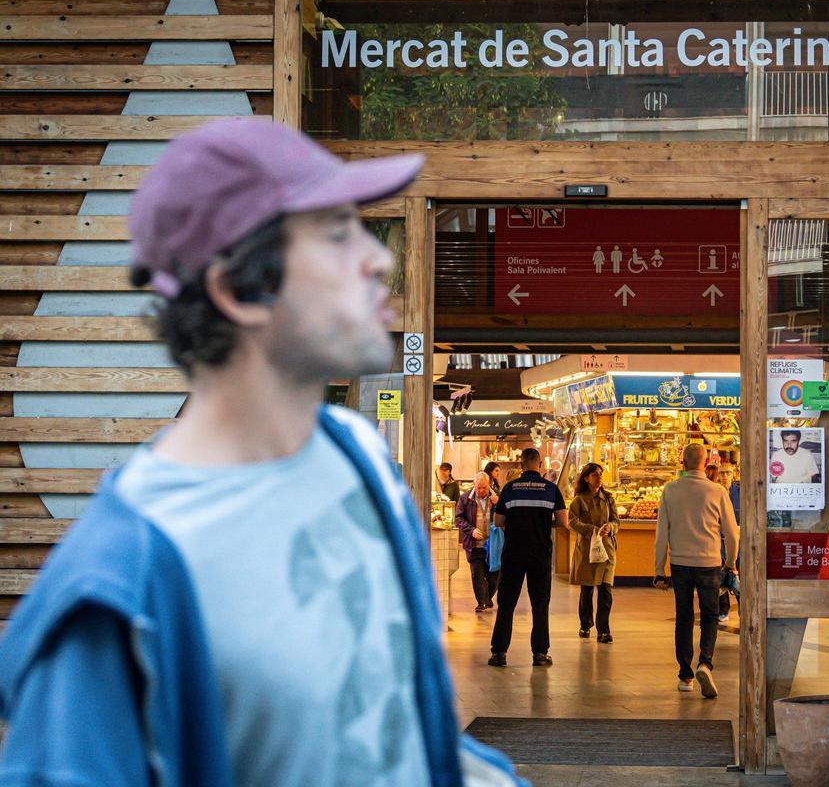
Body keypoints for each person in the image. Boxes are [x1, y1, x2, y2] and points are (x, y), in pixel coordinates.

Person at [0, 118, 524, 787]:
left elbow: (397, 730)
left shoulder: (361, 461)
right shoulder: (118, 586)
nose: (381, 260)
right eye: (337, 234)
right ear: (237, 291)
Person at [655, 443, 739, 698]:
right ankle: (705, 662)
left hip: (680, 563)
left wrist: (659, 569)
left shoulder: (670, 490)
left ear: (683, 463)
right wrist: (731, 563)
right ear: (705, 464)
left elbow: (661, 534)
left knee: (684, 617)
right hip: (710, 563)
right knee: (710, 616)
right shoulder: (717, 491)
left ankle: (685, 675)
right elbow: (732, 533)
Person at [489, 447, 567, 667]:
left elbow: (498, 521)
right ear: (539, 464)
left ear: (521, 464)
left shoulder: (510, 489)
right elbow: (563, 522)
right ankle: (540, 653)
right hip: (540, 554)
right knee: (540, 604)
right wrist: (543, 524)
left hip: (514, 553)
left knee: (506, 604)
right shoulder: (551, 489)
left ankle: (499, 653)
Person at [569, 462, 619, 643]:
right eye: (595, 475)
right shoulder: (579, 500)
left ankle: (604, 630)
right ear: (586, 478)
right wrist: (592, 529)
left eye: (600, 474)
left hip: (607, 549)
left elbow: (616, 520)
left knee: (606, 590)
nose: (599, 478)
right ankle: (585, 624)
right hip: (587, 550)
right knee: (588, 589)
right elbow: (572, 522)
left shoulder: (608, 498)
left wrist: (610, 527)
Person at [455, 472, 499, 613]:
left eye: (484, 488)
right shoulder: (465, 498)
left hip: (493, 545)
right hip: (474, 545)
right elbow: (459, 519)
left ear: (489, 485)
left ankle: (486, 598)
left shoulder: (498, 497)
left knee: (494, 576)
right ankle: (482, 602)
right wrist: (471, 530)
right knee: (477, 575)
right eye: (479, 487)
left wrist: (498, 504)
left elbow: (508, 515)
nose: (481, 491)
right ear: (474, 485)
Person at [716, 464, 740, 622]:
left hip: (738, 539)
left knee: (739, 576)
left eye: (727, 473)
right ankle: (723, 609)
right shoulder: (715, 492)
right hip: (718, 540)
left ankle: (743, 608)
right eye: (722, 473)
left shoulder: (740, 492)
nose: (725, 476)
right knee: (720, 575)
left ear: (733, 474)